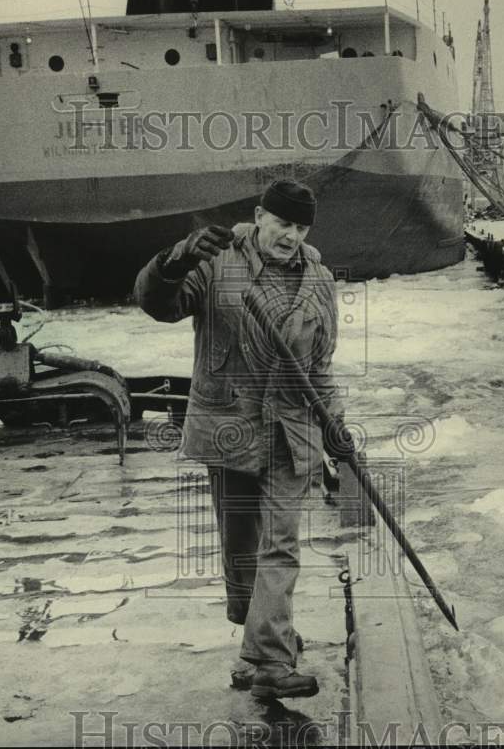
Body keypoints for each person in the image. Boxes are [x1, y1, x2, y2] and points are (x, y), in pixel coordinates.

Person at [134, 179, 341, 699]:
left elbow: (320, 366)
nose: (291, 236)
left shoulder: (318, 279)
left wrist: (336, 427)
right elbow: (158, 304)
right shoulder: (216, 261)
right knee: (242, 547)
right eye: (282, 224)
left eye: (300, 227)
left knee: (282, 545)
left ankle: (269, 662)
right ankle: (261, 640)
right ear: (259, 215)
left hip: (291, 431)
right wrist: (174, 261)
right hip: (230, 427)